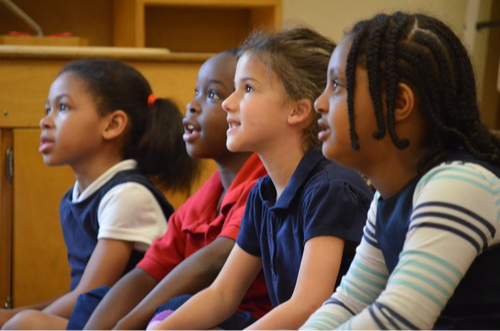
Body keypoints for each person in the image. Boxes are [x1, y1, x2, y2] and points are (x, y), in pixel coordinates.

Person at [150, 27, 373, 331]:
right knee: (169, 315)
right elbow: (223, 293)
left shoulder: (330, 188)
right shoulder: (261, 194)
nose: (229, 102)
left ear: (297, 111)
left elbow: (309, 305)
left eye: (248, 89)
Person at [300, 11, 500, 331]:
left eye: (337, 85)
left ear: (400, 103)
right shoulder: (385, 199)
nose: (319, 103)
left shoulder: (459, 183)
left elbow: (397, 319)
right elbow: (350, 302)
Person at [60, 49, 272, 331]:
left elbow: (215, 261)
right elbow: (148, 271)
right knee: (98, 301)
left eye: (212, 95)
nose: (192, 105)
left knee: (174, 307)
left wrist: (127, 324)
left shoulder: (265, 182)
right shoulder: (204, 199)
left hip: (247, 319)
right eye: (197, 91)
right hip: (194, 310)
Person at [0, 59, 199, 330]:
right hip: (95, 318)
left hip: (131, 324)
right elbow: (81, 296)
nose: (45, 121)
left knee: (25, 325)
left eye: (63, 107)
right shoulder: (78, 196)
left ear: (113, 124)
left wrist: (12, 318)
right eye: (47, 109)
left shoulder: (127, 196)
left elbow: (89, 293)